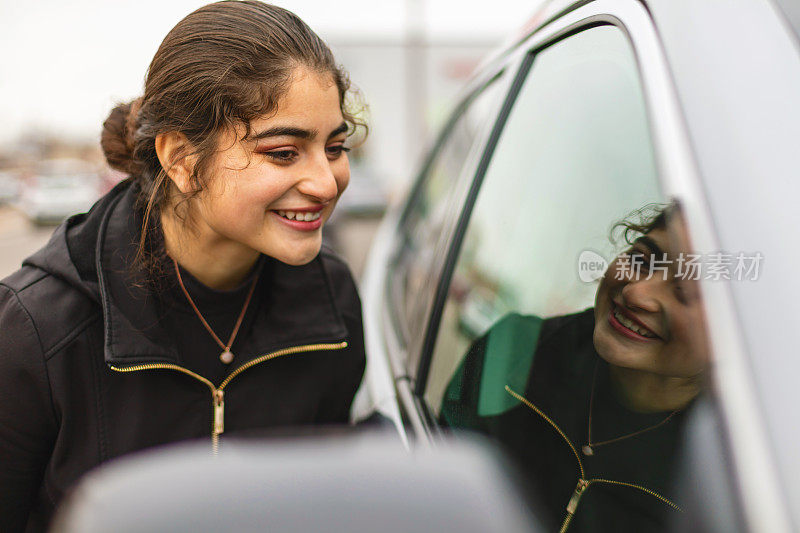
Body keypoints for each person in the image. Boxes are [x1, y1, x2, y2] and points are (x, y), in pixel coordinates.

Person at [0, 2, 367, 531]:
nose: (327, 182)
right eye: (285, 152)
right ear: (181, 159)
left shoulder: (330, 303)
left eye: (335, 147)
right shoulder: (34, 331)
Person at [442, 204, 709, 532]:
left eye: (685, 291)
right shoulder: (513, 356)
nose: (636, 291)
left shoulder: (726, 477)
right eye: (640, 260)